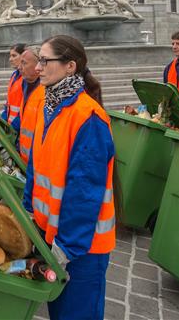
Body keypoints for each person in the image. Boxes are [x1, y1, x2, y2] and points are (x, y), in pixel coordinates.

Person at [23, 34, 114, 320]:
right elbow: (35, 167)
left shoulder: (89, 117)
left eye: (45, 61)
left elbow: (84, 192)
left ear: (70, 66)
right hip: (53, 237)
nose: (38, 67)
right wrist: (28, 209)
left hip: (82, 248)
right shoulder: (48, 106)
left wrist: (65, 249)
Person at [16, 46, 44, 165]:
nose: (19, 67)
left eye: (24, 63)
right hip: (26, 161)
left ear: (39, 65)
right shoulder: (26, 85)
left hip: (38, 164)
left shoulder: (45, 92)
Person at [2, 44, 26, 133]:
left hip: (18, 128)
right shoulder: (14, 75)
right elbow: (9, 102)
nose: (10, 59)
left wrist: (13, 127)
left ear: (24, 56)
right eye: (10, 56)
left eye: (14, 55)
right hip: (11, 126)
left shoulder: (26, 78)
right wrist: (2, 120)